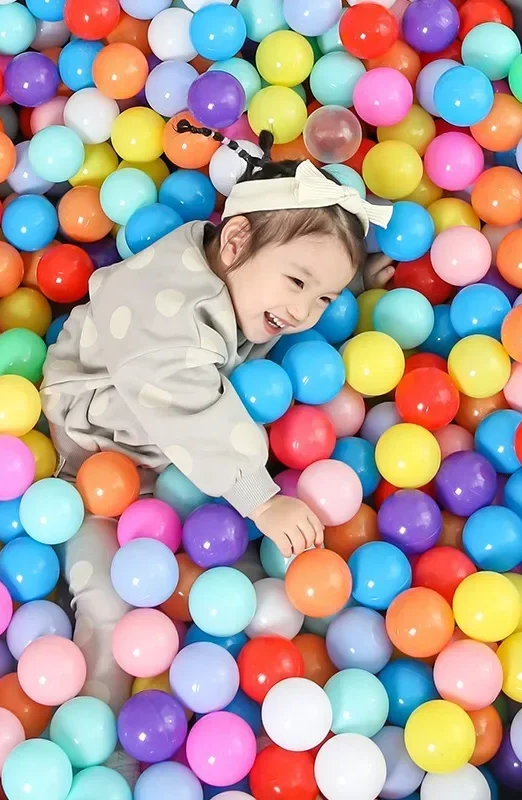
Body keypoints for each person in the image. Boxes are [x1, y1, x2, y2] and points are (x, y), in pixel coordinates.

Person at [41, 126, 394, 722]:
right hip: (96, 452)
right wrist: (261, 498)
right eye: (299, 285)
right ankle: (91, 719)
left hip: (176, 454)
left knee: (234, 572)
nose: (304, 313)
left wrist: (350, 278)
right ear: (233, 243)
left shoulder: (245, 266)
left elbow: (290, 257)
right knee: (107, 601)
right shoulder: (167, 317)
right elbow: (189, 405)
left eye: (324, 299)